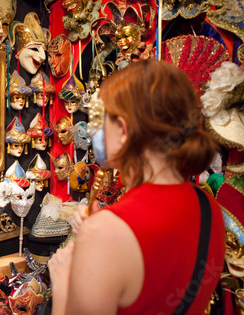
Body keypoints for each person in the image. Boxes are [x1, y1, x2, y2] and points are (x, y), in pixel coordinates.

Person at [48, 59, 225, 314]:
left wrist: (63, 281)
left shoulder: (105, 231)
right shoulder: (210, 207)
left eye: (103, 119)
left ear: (123, 129)